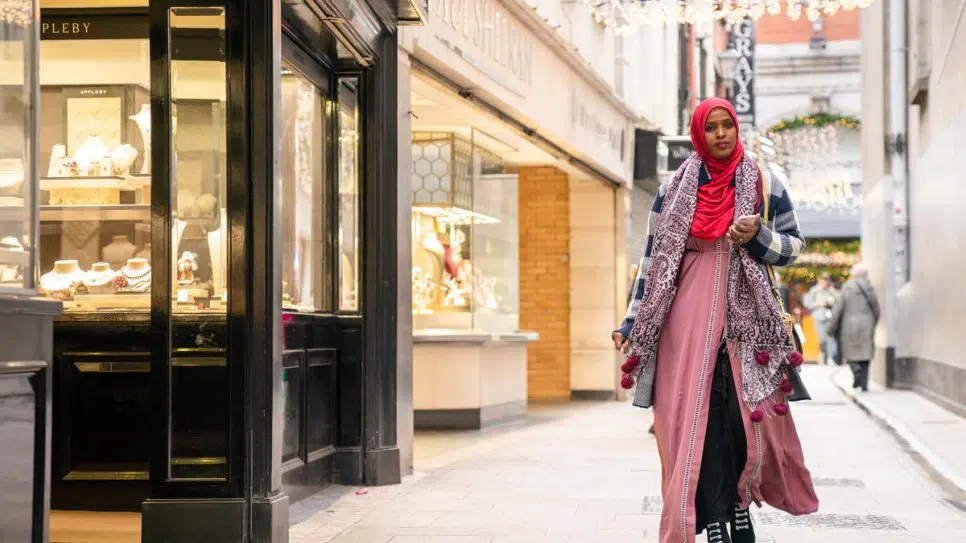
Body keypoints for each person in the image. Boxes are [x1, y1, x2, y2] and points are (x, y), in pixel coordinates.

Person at [612, 98, 818, 543]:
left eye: (728, 125)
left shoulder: (765, 182)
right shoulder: (674, 188)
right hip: (684, 317)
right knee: (694, 419)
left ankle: (740, 504)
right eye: (712, 127)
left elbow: (794, 245)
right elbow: (653, 260)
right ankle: (713, 515)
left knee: (740, 416)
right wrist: (632, 323)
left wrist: (758, 236)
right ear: (698, 134)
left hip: (748, 321)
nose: (721, 134)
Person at [827, 263, 880, 392]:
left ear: (853, 275)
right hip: (867, 323)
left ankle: (856, 370)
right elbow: (876, 308)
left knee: (850, 351)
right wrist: (874, 322)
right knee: (865, 353)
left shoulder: (847, 287)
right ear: (866, 275)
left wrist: (832, 326)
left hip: (849, 324)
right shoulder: (870, 288)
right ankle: (864, 384)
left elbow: (838, 308)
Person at [804, 273, 839, 364]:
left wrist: (832, 302)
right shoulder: (814, 290)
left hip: (830, 317)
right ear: (819, 281)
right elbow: (807, 304)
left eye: (826, 281)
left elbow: (838, 303)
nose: (825, 283)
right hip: (818, 317)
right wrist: (819, 303)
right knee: (822, 338)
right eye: (823, 280)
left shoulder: (831, 290)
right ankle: (823, 354)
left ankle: (830, 358)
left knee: (830, 337)